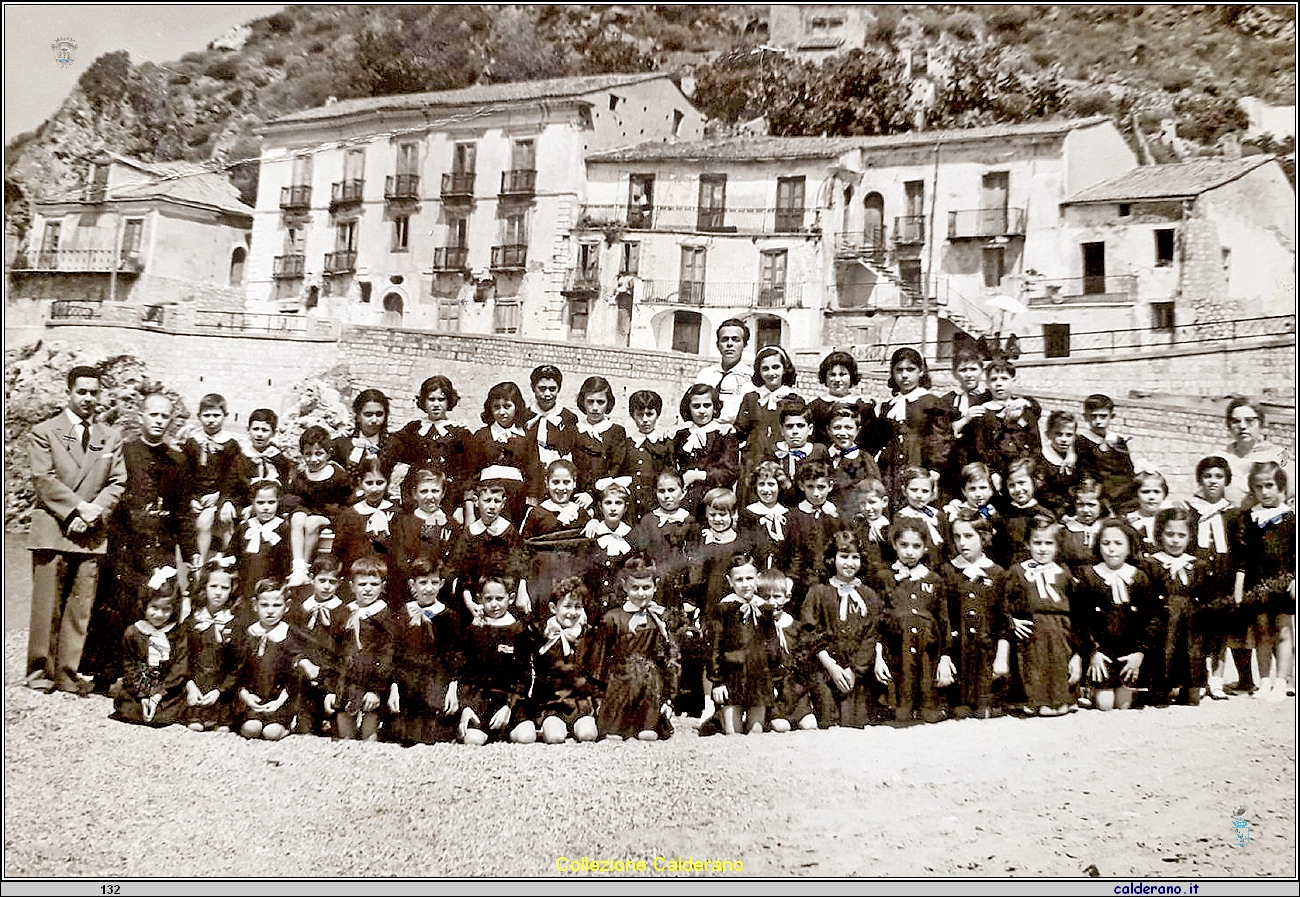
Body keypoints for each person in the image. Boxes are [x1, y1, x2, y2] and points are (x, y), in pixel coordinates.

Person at [25, 365, 127, 695]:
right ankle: (40, 672)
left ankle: (68, 672)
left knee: (79, 607)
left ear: (101, 396)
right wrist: (76, 509)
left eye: (93, 393)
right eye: (81, 392)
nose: (88, 398)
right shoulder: (45, 431)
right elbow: (44, 479)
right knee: (47, 605)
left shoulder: (109, 436)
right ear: (68, 392)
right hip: (55, 527)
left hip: (92, 530)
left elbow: (117, 481)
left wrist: (95, 511)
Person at [84, 391, 194, 690]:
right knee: (117, 606)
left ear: (171, 420)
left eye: (164, 416)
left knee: (158, 606)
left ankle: (150, 676)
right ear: (142, 417)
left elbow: (183, 511)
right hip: (125, 543)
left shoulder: (178, 460)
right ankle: (107, 673)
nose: (159, 421)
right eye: (154, 415)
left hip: (160, 545)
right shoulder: (126, 452)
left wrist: (191, 552)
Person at [588, 556, 680, 741]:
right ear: (624, 586)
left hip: (649, 688)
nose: (641, 593)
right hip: (619, 688)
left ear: (655, 585)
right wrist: (598, 697)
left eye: (646, 588)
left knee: (648, 735)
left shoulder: (660, 619)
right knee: (613, 736)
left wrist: (669, 697)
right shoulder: (612, 618)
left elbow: (671, 658)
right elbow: (599, 661)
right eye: (635, 588)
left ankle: (650, 720)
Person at [802, 529, 887, 728]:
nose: (849, 563)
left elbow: (871, 636)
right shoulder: (819, 592)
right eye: (844, 556)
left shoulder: (869, 595)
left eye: (855, 557)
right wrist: (831, 666)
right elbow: (810, 632)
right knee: (829, 722)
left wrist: (854, 670)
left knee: (856, 722)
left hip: (858, 672)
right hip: (826, 669)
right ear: (832, 558)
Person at [872, 516, 952, 723]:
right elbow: (877, 623)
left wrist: (945, 656)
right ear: (894, 545)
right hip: (897, 654)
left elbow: (943, 621)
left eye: (916, 546)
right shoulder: (885, 577)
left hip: (928, 654)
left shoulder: (934, 580)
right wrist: (878, 657)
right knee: (901, 715)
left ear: (925, 547)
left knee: (929, 714)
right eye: (904, 545)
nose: (909, 551)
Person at [1076, 518, 1159, 712]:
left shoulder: (1139, 577)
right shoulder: (1088, 576)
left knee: (1124, 705)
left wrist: (1140, 652)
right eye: (1106, 543)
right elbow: (1081, 620)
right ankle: (1088, 691)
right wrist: (1093, 653)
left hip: (1130, 652)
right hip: (1101, 652)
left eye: (1118, 543)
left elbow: (1151, 618)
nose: (1111, 549)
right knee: (1105, 705)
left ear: (1129, 547)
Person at [1003, 515, 1081, 717]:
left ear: (1057, 546)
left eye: (1049, 543)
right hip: (1033, 626)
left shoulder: (1064, 573)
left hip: (1060, 627)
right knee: (1034, 664)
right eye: (1037, 542)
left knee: (1058, 661)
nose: (1043, 548)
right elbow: (1004, 602)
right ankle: (1037, 701)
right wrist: (1012, 621)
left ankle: (1063, 699)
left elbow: (1076, 605)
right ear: (1028, 544)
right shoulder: (1018, 571)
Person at [1231, 461, 1295, 701]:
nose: (1265, 491)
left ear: (1281, 487)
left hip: (1284, 581)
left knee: (1284, 631)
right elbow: (1242, 558)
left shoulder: (1290, 519)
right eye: (1259, 487)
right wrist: (1239, 587)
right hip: (1256, 583)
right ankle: (1265, 680)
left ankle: (1282, 681)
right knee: (1261, 633)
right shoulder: (1249, 518)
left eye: (1270, 485)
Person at [943, 511, 1011, 719]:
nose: (962, 542)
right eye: (957, 536)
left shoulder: (997, 573)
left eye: (969, 536)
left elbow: (1003, 620)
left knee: (986, 711)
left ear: (983, 537)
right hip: (959, 652)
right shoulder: (947, 571)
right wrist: (944, 656)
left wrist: (1001, 658)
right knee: (960, 711)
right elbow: (943, 618)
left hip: (987, 652)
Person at [456, 573, 536, 745]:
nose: (494, 604)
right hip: (482, 698)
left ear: (511, 598)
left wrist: (510, 705)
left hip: (510, 699)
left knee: (527, 737)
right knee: (473, 740)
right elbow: (465, 674)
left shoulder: (518, 630)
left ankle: (505, 730)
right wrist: (467, 706)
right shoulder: (474, 631)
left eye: (499, 598)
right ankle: (488, 731)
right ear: (479, 599)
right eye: (488, 598)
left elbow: (524, 675)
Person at [390, 557, 462, 745]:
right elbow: (395, 654)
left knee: (435, 736)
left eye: (434, 583)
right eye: (423, 583)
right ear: (412, 584)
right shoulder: (403, 613)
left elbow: (454, 657)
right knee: (401, 736)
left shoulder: (449, 616)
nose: (429, 588)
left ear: (441, 585)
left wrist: (452, 690)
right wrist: (394, 688)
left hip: (436, 682)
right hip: (408, 682)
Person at [328, 555, 397, 742]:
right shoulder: (345, 612)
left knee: (369, 730)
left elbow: (387, 654)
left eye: (374, 584)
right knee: (344, 728)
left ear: (382, 586)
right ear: (352, 586)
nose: (368, 589)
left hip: (371, 680)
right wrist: (331, 687)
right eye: (362, 584)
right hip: (346, 680)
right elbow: (334, 649)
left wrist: (375, 689)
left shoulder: (384, 616)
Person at [110, 568, 188, 727]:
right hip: (139, 688)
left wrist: (157, 695)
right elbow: (130, 666)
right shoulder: (133, 632)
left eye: (166, 610)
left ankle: (156, 708)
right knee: (128, 708)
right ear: (145, 605)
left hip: (166, 690)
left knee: (166, 715)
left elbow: (179, 668)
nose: (159, 614)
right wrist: (144, 695)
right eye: (154, 608)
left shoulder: (177, 634)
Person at [1148, 507, 1210, 706]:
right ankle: (1161, 689)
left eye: (1181, 535)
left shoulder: (1197, 565)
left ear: (1190, 537)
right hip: (1163, 617)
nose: (1175, 540)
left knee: (1191, 653)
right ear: (1160, 534)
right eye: (1170, 534)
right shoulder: (1152, 563)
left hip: (1190, 619)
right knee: (1164, 650)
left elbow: (1204, 594)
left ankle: (1189, 687)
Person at [876, 348, 952, 508]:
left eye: (910, 370)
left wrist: (934, 471)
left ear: (921, 371)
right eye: (899, 370)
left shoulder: (931, 402)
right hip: (891, 470)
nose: (904, 375)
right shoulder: (889, 405)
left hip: (919, 463)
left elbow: (941, 440)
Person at [531, 577, 599, 745]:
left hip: (579, 702)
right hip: (552, 702)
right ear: (554, 608)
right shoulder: (543, 634)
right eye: (567, 606)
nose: (572, 612)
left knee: (588, 735)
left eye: (578, 607)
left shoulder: (587, 635)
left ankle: (579, 724)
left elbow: (594, 673)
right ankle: (553, 725)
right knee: (555, 738)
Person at [709, 553, 772, 735]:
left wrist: (773, 680)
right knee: (733, 733)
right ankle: (720, 717)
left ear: (758, 579)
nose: (745, 584)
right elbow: (715, 646)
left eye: (749, 578)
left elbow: (772, 644)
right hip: (732, 675)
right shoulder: (725, 609)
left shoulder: (765, 609)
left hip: (758, 675)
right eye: (739, 579)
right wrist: (717, 681)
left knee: (756, 733)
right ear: (730, 581)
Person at [287, 552, 347, 737]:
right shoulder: (301, 608)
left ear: (339, 583)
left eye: (332, 581)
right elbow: (292, 640)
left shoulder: (343, 612)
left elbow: (343, 650)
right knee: (306, 732)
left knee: (336, 731)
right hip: (305, 674)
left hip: (331, 677)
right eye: (322, 580)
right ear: (312, 579)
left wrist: (329, 682)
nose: (327, 586)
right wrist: (304, 662)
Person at [388, 375, 470, 509]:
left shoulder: (459, 433)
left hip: (446, 494)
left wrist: (461, 504)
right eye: (431, 399)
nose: (436, 404)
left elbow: (466, 471)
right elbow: (391, 449)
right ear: (423, 401)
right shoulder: (413, 428)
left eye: (441, 400)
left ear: (449, 401)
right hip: (415, 492)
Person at [287, 425, 353, 586]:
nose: (313, 459)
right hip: (309, 510)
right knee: (297, 518)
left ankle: (306, 566)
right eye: (308, 454)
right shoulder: (302, 476)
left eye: (319, 454)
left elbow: (346, 500)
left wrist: (334, 511)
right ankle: (298, 567)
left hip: (331, 514)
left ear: (328, 454)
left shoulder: (337, 475)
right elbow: (296, 497)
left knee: (311, 523)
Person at [234, 578, 298, 741]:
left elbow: (294, 678)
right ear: (255, 605)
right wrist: (246, 696)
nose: (270, 611)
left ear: (286, 606)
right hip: (252, 698)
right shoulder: (249, 634)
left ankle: (286, 727)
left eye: (276, 605)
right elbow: (239, 671)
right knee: (251, 729)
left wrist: (278, 702)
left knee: (271, 732)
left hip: (280, 698)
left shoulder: (288, 635)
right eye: (264, 605)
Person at [181, 556, 239, 732]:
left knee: (222, 729)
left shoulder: (234, 623)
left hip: (221, 690)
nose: (218, 592)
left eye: (224, 587)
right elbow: (182, 657)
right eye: (213, 586)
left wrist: (219, 691)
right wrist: (190, 685)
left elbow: (237, 665)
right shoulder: (193, 621)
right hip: (195, 685)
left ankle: (218, 710)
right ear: (204, 587)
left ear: (231, 591)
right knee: (195, 726)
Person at [182, 393, 241, 565]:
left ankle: (228, 564)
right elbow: (186, 475)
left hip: (222, 495)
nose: (211, 420)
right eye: (206, 415)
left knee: (210, 521)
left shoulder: (230, 444)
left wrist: (218, 496)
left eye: (216, 415)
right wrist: (192, 498)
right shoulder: (193, 443)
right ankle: (197, 568)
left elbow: (232, 476)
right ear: (199, 416)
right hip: (197, 496)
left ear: (225, 416)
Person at [673, 383, 740, 518]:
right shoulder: (681, 436)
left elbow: (730, 472)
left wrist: (699, 475)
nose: (702, 411)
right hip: (686, 502)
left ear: (714, 407)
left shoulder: (724, 434)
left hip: (715, 503)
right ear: (689, 408)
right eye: (696, 406)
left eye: (707, 405)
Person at [1222, 397, 1293, 508]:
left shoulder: (1281, 457)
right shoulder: (1219, 459)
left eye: (1249, 420)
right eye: (1236, 421)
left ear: (1261, 424)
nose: (1242, 426)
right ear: (1229, 426)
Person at [1074, 394, 1136, 516]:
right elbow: (1081, 471)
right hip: (1093, 495)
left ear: (1111, 416)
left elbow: (1128, 470)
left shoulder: (1117, 441)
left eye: (1103, 416)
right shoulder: (1081, 442)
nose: (1098, 421)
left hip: (1120, 495)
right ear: (1085, 417)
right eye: (1093, 416)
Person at [571, 376, 629, 496]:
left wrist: (591, 494)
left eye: (600, 402)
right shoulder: (574, 430)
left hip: (603, 495)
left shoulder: (616, 432)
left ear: (608, 403)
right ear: (583, 402)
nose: (595, 408)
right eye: (590, 401)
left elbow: (615, 468)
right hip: (574, 494)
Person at [236, 480, 292, 599]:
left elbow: (286, 562)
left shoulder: (283, 528)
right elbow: (233, 554)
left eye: (271, 502)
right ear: (253, 503)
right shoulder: (244, 527)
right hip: (246, 585)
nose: (266, 507)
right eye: (260, 503)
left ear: (278, 502)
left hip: (272, 589)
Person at [624, 389, 672, 521]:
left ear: (657, 415)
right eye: (640, 414)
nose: (645, 420)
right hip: (631, 509)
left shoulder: (665, 443)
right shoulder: (627, 444)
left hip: (656, 508)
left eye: (650, 414)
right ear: (633, 415)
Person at [695, 318, 753, 426]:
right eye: (725, 339)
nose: (729, 344)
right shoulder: (705, 375)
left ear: (744, 345)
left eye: (735, 339)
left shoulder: (751, 379)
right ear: (718, 345)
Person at [330, 388, 394, 485]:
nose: (374, 420)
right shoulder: (340, 445)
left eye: (379, 414)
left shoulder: (393, 445)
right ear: (358, 416)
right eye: (368, 415)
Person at [525, 364, 578, 470]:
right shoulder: (524, 416)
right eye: (542, 389)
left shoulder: (568, 418)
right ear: (533, 388)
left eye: (552, 389)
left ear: (559, 389)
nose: (547, 394)